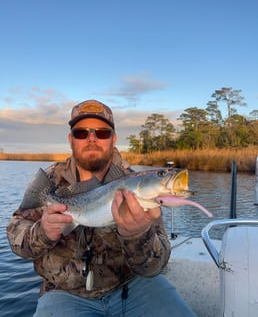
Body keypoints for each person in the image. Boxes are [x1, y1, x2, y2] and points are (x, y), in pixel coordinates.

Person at [7, 99, 197, 317]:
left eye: (102, 133)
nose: (92, 139)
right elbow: (15, 240)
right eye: (81, 133)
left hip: (131, 286)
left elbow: (156, 266)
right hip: (63, 294)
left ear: (113, 139)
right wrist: (43, 233)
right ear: (71, 139)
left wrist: (138, 235)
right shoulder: (50, 181)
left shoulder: (141, 190)